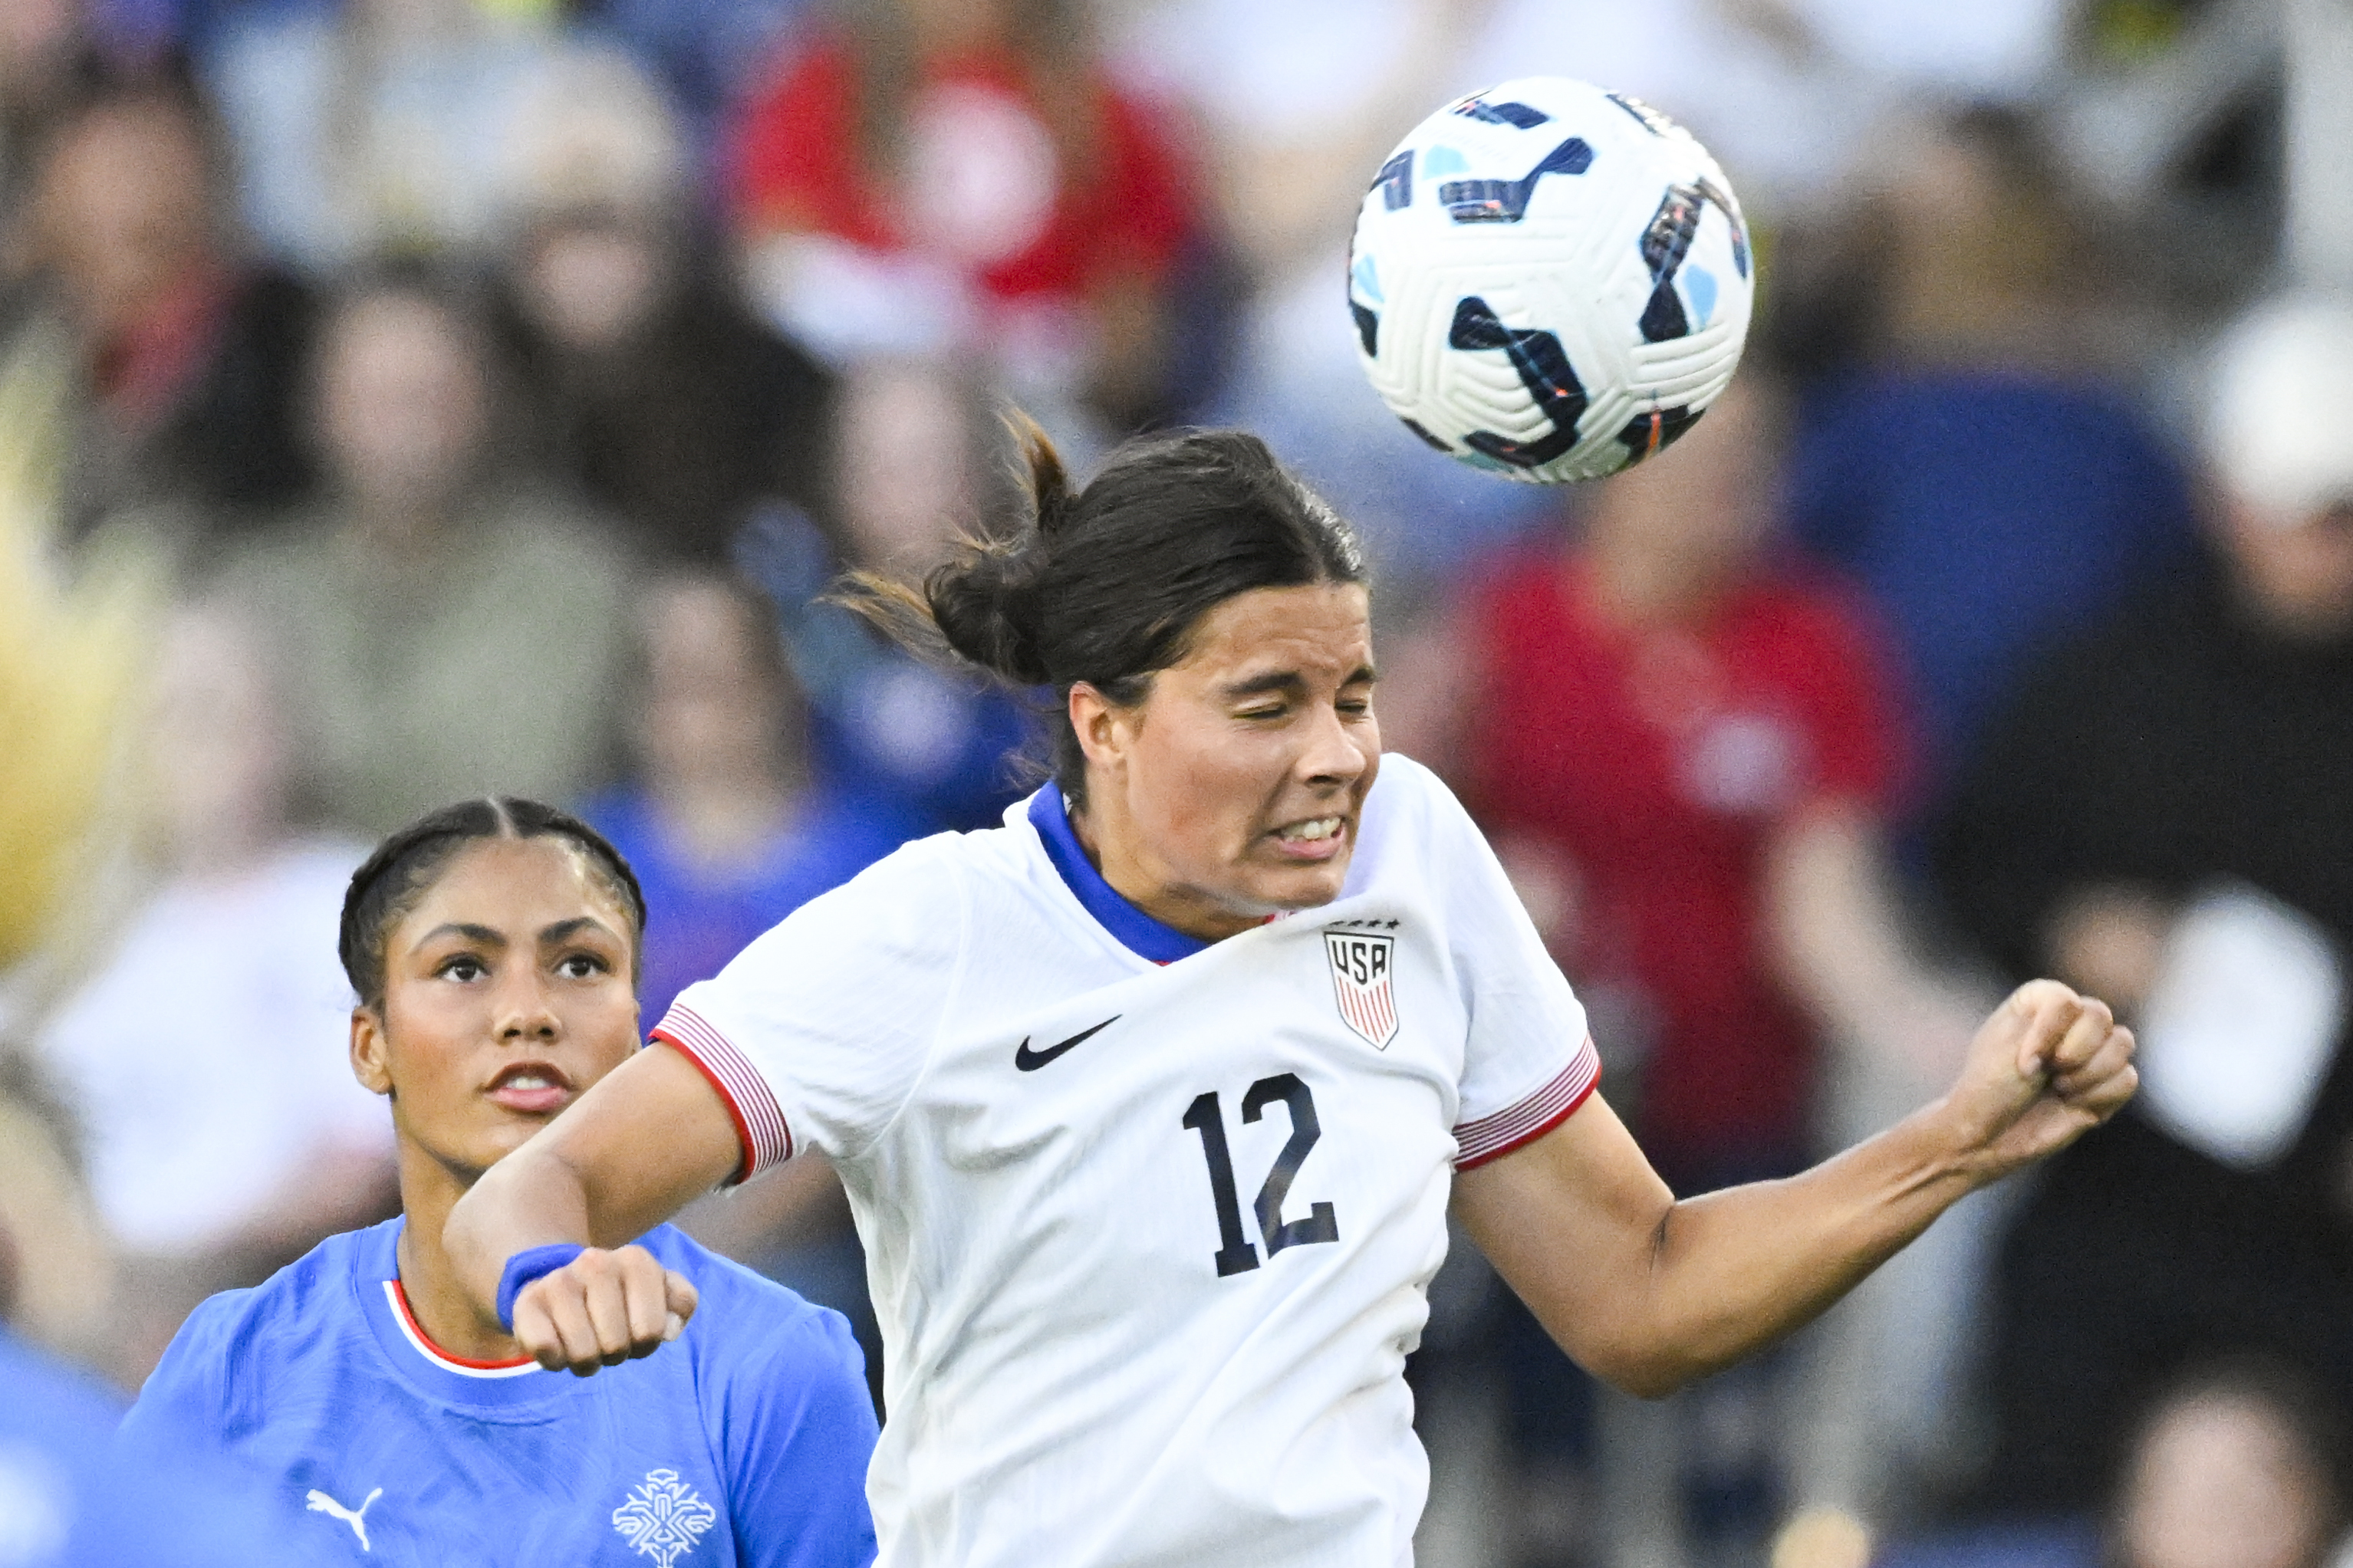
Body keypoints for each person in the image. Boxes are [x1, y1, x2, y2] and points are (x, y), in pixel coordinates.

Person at [443, 422, 2137, 1568]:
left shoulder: (1413, 850)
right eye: (1268, 703)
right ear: (1104, 720)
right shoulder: (928, 935)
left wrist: (1956, 1138)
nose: (1338, 753)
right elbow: (539, 1176)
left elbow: (1641, 1290)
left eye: (1357, 690)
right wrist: (547, 1267)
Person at [120, 798, 880, 1566]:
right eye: (463, 968)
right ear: (369, 1044)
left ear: (635, 1029)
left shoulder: (774, 1368)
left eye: (580, 965)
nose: (528, 1013)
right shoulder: (232, 1365)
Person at [1932, 293, 2353, 1514]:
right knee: (2040, 1495)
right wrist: (2072, 927)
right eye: (2315, 515)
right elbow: (1977, 859)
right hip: (2115, 1200)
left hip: (2323, 1241)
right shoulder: (2108, 680)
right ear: (2229, 500)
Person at [34, 600, 393, 1384]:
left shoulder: (340, 900)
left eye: (213, 711)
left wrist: (173, 1278)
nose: (184, 745)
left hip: (265, 1320)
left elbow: (357, 1165)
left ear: (281, 732)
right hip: (64, 1331)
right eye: (158, 716)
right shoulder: (72, 921)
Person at [217, 269, 632, 837]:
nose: (403, 428)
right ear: (317, 409)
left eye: (429, 395)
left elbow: (540, 786)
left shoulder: (582, 584)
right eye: (375, 398)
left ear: (488, 402)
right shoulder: (249, 589)